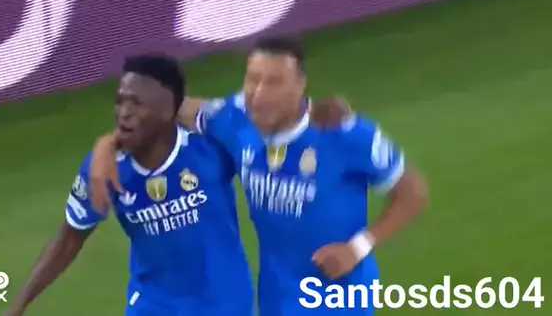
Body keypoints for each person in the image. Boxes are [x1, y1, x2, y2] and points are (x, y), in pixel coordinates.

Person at [88, 38, 429, 315]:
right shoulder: (235, 120)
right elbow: (164, 106)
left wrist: (357, 248)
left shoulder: (344, 134)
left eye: (274, 82)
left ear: (300, 85)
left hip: (338, 294)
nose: (259, 92)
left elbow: (413, 191)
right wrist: (108, 144)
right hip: (276, 296)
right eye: (253, 79)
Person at [6, 54, 254, 316]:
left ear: (167, 111)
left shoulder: (208, 147)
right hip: (154, 306)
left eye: (136, 103)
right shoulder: (107, 167)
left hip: (225, 306)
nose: (124, 113)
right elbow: (70, 238)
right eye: (120, 101)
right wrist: (18, 306)